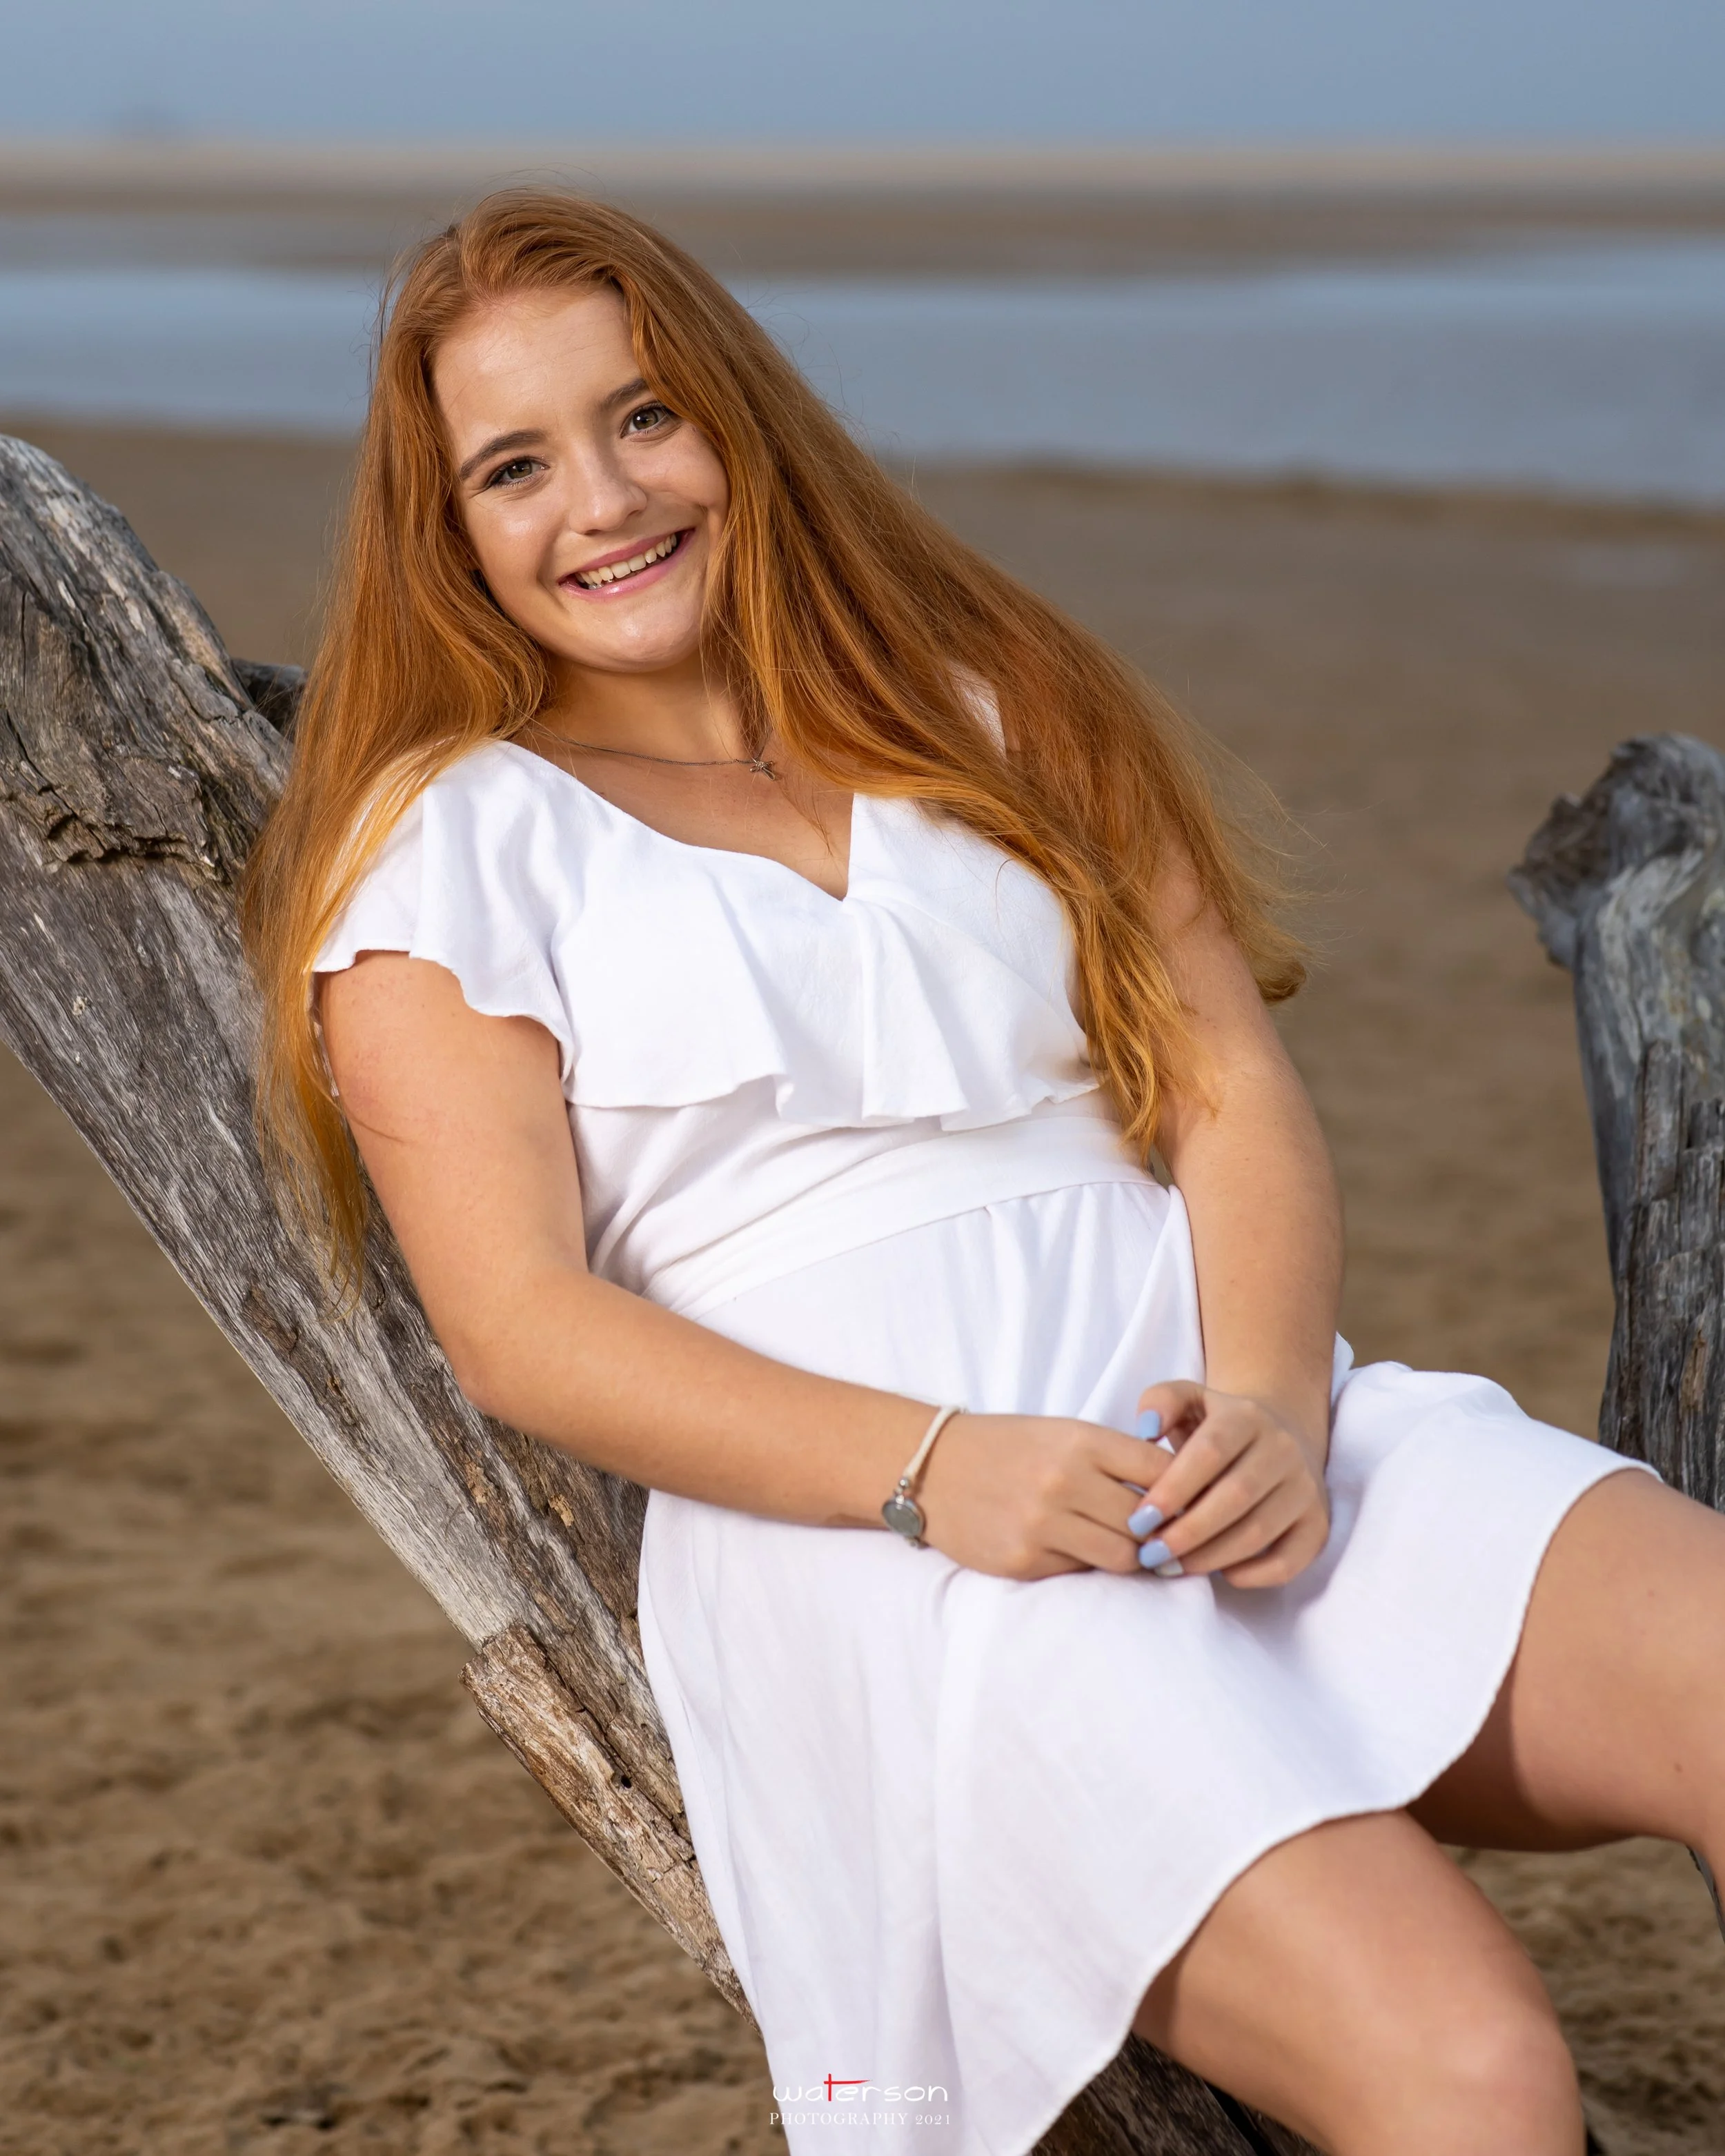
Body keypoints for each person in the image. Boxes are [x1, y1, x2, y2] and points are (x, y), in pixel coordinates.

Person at [239, 190, 1724, 2156]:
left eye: (644, 416)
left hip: (1233, 1433)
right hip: (909, 1564)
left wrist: (1276, 1402)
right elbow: (519, 1326)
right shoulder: (449, 848)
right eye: (513, 466)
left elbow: (1225, 1087)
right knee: (1470, 2070)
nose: (600, 500)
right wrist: (938, 1466)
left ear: (738, 417)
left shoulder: (990, 703)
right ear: (444, 532)